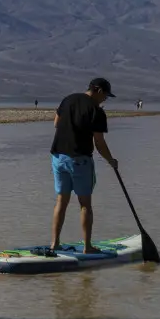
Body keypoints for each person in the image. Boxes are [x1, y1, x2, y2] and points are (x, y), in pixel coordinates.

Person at [49, 77, 119, 255]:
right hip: (80, 160)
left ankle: (55, 244)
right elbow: (99, 143)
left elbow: (56, 123)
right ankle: (87, 247)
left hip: (58, 157)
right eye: (105, 96)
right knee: (85, 204)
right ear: (98, 90)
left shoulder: (68, 99)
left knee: (61, 202)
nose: (105, 100)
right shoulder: (96, 111)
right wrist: (111, 160)